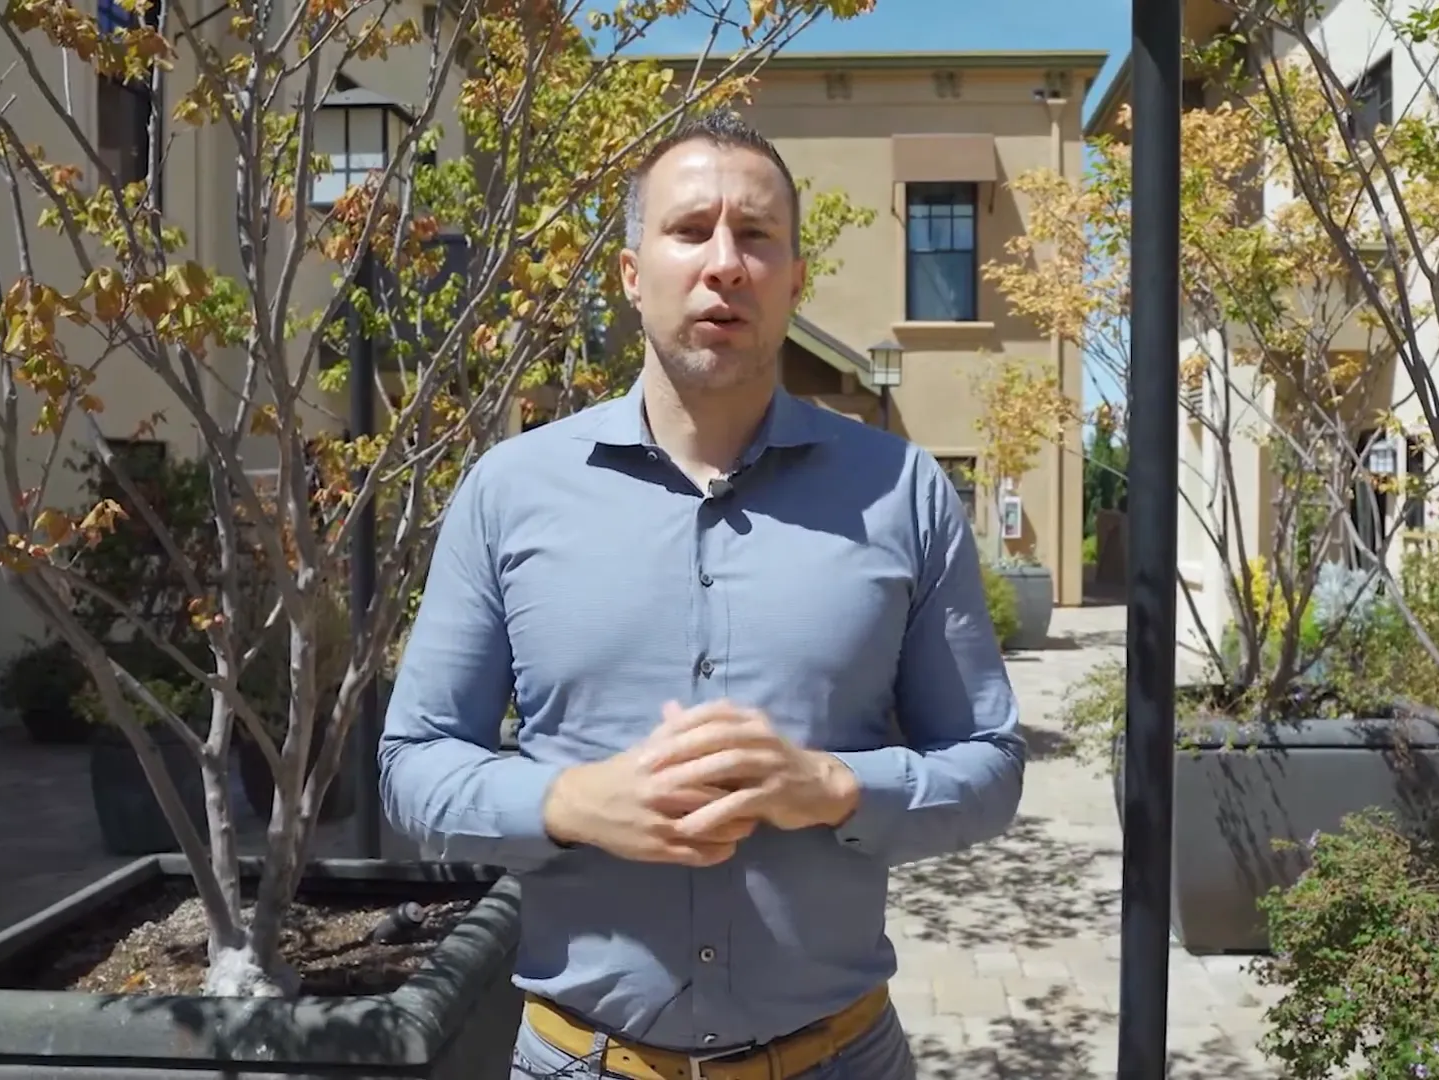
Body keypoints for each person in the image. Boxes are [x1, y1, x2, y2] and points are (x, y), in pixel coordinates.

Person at [379, 110, 1023, 1080]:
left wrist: (837, 789)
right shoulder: (510, 494)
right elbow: (414, 767)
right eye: (690, 231)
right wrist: (569, 802)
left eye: (757, 236)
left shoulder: (902, 492)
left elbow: (989, 765)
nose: (724, 262)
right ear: (632, 276)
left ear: (795, 279)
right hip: (582, 1061)